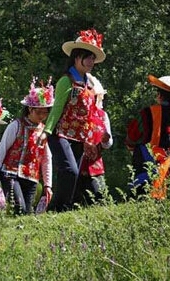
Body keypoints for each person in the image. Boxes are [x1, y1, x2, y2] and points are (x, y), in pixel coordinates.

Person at [42, 29, 107, 212]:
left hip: (79, 137)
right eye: (88, 58)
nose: (91, 62)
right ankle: (54, 208)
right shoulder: (66, 81)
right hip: (60, 134)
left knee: (73, 175)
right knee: (71, 171)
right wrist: (46, 132)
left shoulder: (90, 84)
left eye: (93, 59)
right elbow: (57, 109)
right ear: (77, 57)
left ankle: (63, 210)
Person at [0, 77, 53, 215]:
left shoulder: (44, 131)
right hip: (10, 174)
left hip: (32, 177)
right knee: (19, 208)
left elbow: (46, 159)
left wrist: (48, 184)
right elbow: (2, 149)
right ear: (30, 109)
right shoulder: (16, 125)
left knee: (27, 214)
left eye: (45, 112)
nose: (42, 115)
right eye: (39, 112)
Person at [125, 74, 170, 199]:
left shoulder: (146, 113)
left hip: (144, 163)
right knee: (168, 203)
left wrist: (131, 148)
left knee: (140, 199)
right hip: (169, 166)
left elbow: (132, 136)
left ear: (160, 96)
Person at [77, 73, 113, 205]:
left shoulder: (103, 115)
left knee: (101, 198)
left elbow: (108, 143)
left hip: (95, 165)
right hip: (77, 164)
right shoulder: (77, 113)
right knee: (73, 200)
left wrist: (105, 139)